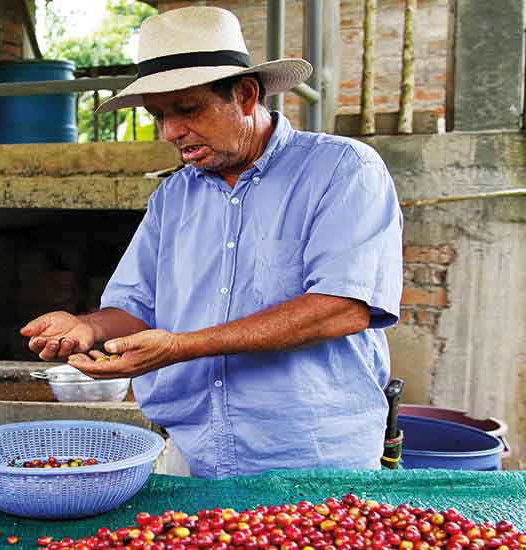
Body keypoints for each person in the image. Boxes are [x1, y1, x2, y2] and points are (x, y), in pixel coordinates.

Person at [20, 6, 403, 479]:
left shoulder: (342, 169)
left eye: (187, 109)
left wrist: (181, 347)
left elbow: (343, 307)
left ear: (244, 95)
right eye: (158, 115)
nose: (171, 131)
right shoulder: (173, 196)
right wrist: (87, 327)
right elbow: (137, 306)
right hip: (194, 448)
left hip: (311, 451)